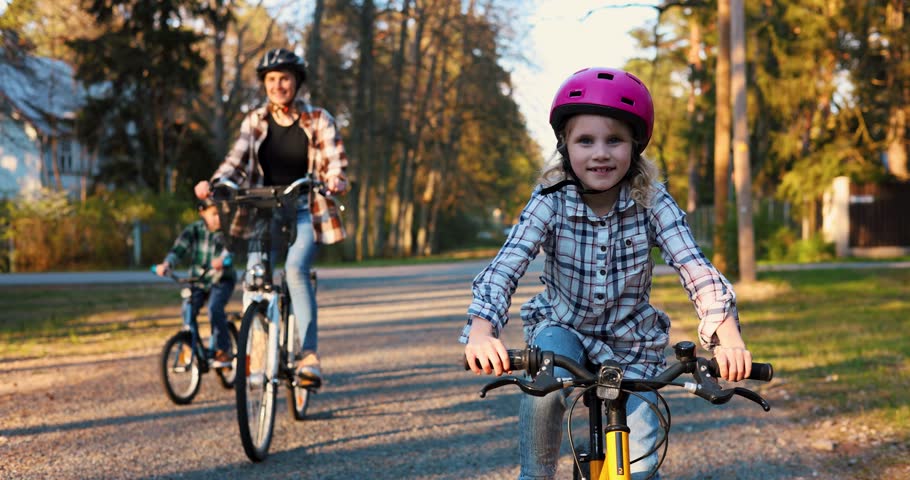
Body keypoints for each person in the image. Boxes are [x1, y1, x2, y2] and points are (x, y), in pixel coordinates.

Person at [461, 67, 753, 480]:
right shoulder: (549, 201)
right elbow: (506, 266)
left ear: (635, 146)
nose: (600, 153)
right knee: (545, 390)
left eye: (614, 140)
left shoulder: (653, 202)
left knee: (642, 462)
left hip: (633, 341)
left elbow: (695, 268)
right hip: (563, 328)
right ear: (565, 146)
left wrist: (730, 339)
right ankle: (535, 475)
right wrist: (481, 330)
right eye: (586, 140)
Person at [193, 47, 349, 387]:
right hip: (264, 210)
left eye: (285, 79)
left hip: (305, 208)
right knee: (254, 277)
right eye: (272, 79)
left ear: (297, 82)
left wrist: (335, 178)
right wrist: (215, 184)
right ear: (264, 83)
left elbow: (334, 159)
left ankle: (308, 356)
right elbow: (235, 162)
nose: (278, 86)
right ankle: (260, 354)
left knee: (295, 270)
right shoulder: (255, 120)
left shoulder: (319, 118)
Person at [155, 197, 236, 367]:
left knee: (214, 308)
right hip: (199, 280)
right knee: (188, 309)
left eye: (221, 214)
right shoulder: (194, 230)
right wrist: (167, 264)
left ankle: (223, 350)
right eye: (214, 214)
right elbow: (179, 249)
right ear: (202, 212)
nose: (218, 218)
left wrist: (222, 260)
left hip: (221, 280)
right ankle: (191, 346)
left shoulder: (226, 232)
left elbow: (230, 251)